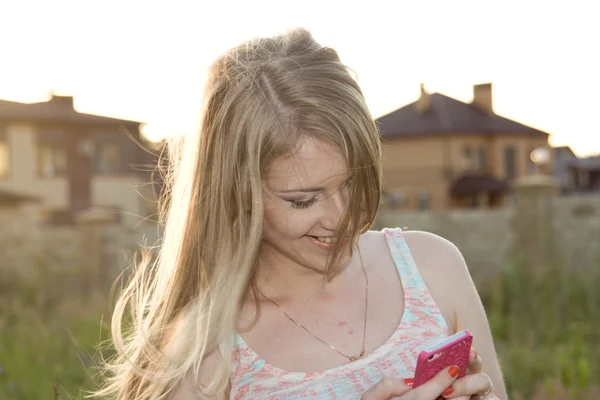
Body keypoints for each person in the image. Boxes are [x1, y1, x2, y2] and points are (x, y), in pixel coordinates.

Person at [96, 28, 506, 399]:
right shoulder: (203, 356)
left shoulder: (433, 267)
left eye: (352, 182)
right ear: (237, 192)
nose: (342, 216)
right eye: (303, 199)